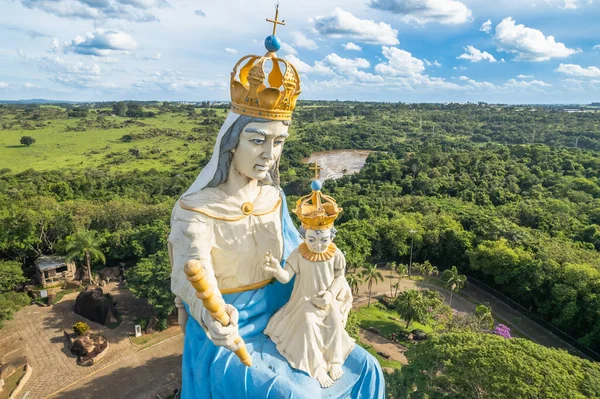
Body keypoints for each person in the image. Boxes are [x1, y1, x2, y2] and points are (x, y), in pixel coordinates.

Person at [168, 23, 385, 399]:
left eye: (279, 142)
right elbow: (190, 275)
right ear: (232, 143)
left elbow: (299, 256)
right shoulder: (196, 210)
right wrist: (210, 316)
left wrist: (333, 285)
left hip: (288, 316)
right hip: (231, 329)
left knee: (369, 368)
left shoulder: (276, 198)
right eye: (257, 140)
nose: (269, 155)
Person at [263, 181, 355, 388]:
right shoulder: (298, 254)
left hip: (326, 299)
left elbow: (340, 276)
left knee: (334, 319)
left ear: (331, 235)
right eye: (312, 239)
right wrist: (276, 269)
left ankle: (334, 360)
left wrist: (331, 294)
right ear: (304, 236)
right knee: (308, 323)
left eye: (323, 239)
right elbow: (286, 277)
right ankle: (317, 367)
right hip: (304, 300)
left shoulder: (335, 253)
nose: (318, 244)